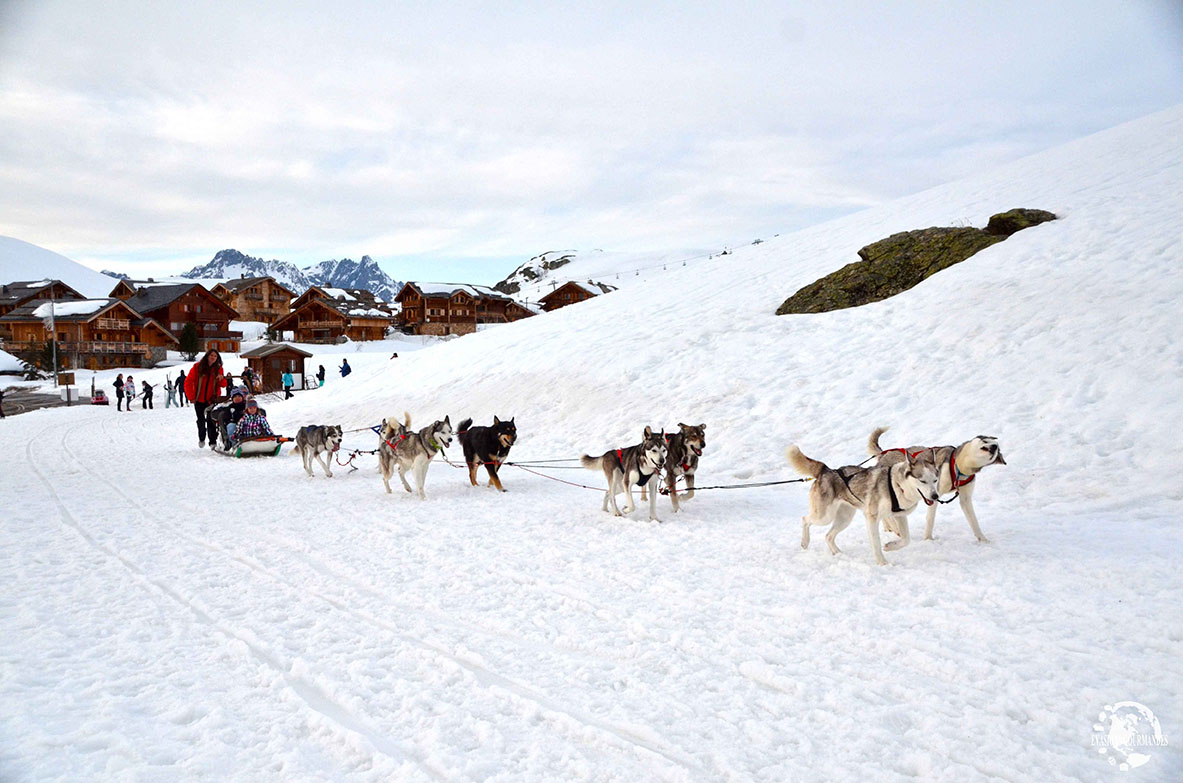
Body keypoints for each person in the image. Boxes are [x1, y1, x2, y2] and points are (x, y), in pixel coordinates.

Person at [184, 349, 226, 448]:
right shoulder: (197, 367)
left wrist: (222, 379)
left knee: (211, 420)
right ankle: (201, 437)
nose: (213, 358)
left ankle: (212, 441)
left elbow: (223, 385)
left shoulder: (218, 368)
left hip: (212, 399)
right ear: (207, 356)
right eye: (211, 355)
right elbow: (188, 382)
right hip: (199, 399)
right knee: (201, 420)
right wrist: (191, 397)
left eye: (215, 356)